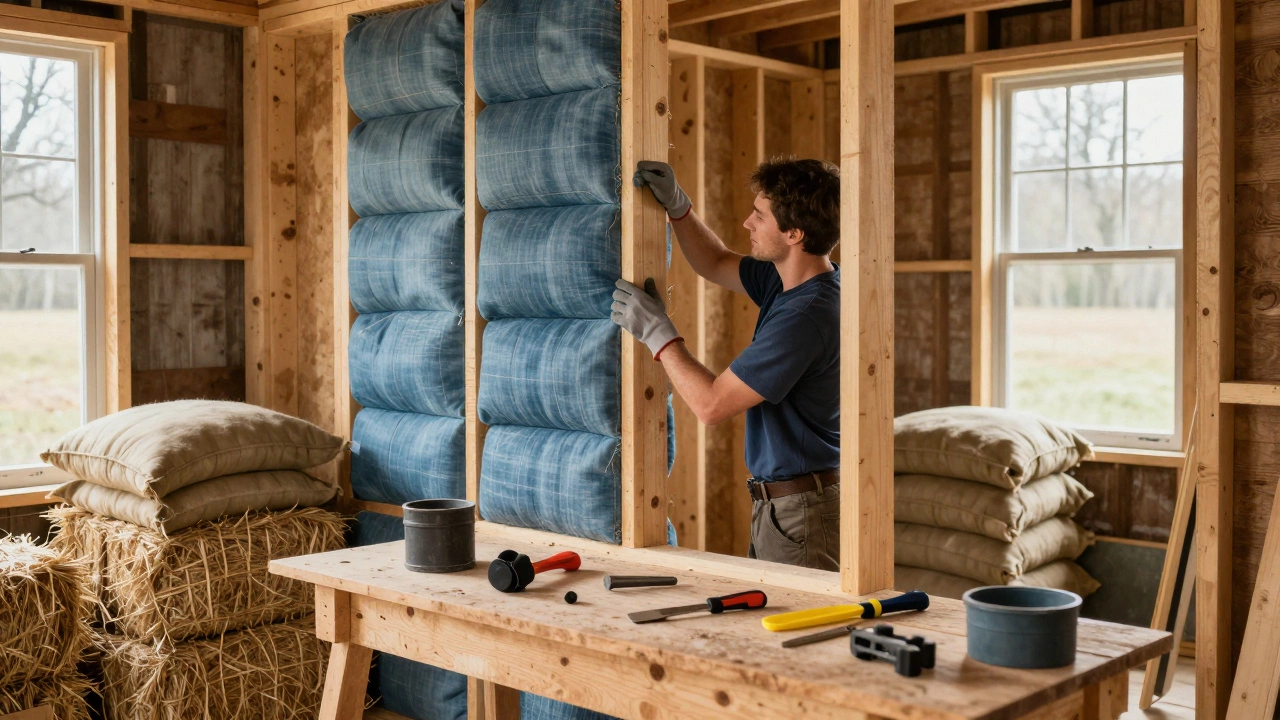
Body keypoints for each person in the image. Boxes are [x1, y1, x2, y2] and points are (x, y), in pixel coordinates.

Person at [611, 157, 841, 571]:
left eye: (759, 215)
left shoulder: (806, 316)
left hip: (800, 512)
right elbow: (714, 261)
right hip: (786, 506)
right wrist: (679, 209)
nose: (747, 223)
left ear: (794, 233)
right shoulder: (790, 279)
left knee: (803, 628)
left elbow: (712, 405)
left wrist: (658, 333)